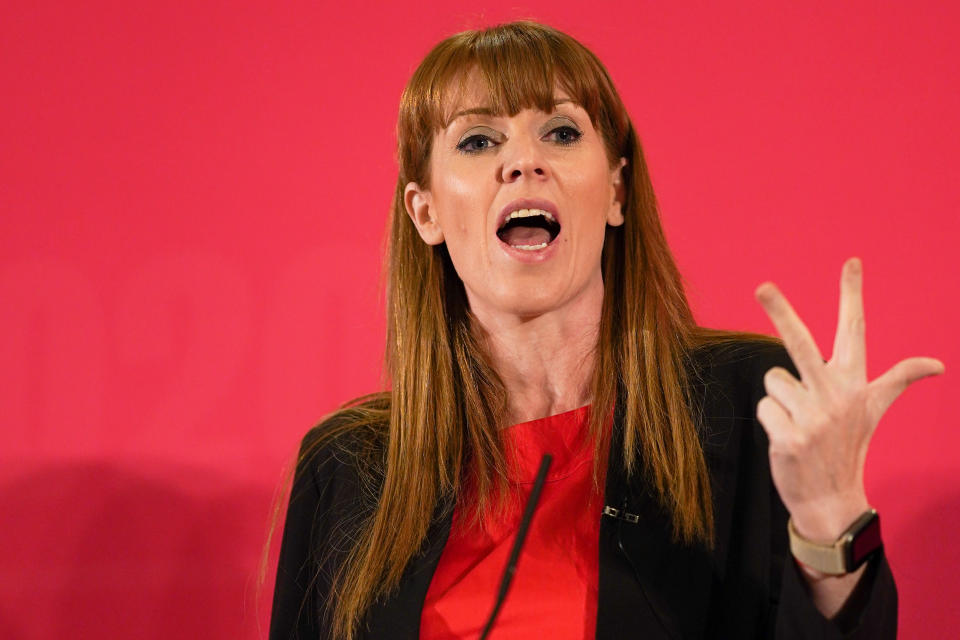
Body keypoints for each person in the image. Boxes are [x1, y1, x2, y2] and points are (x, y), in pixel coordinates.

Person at [268, 20, 943, 640]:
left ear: (617, 190)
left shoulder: (748, 408)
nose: (523, 162)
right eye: (478, 141)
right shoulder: (348, 469)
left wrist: (832, 527)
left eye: (561, 133)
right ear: (426, 214)